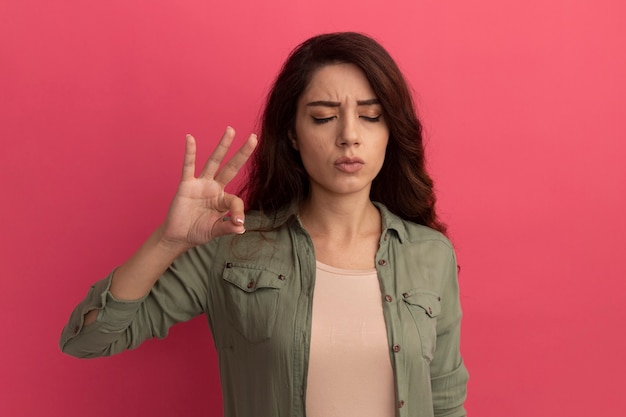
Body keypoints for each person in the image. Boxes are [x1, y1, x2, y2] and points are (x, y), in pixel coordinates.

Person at [60, 32, 469, 417]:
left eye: (370, 116)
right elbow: (86, 340)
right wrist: (168, 241)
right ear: (292, 134)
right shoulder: (232, 246)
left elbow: (445, 400)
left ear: (390, 131)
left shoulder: (430, 254)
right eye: (324, 117)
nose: (349, 135)